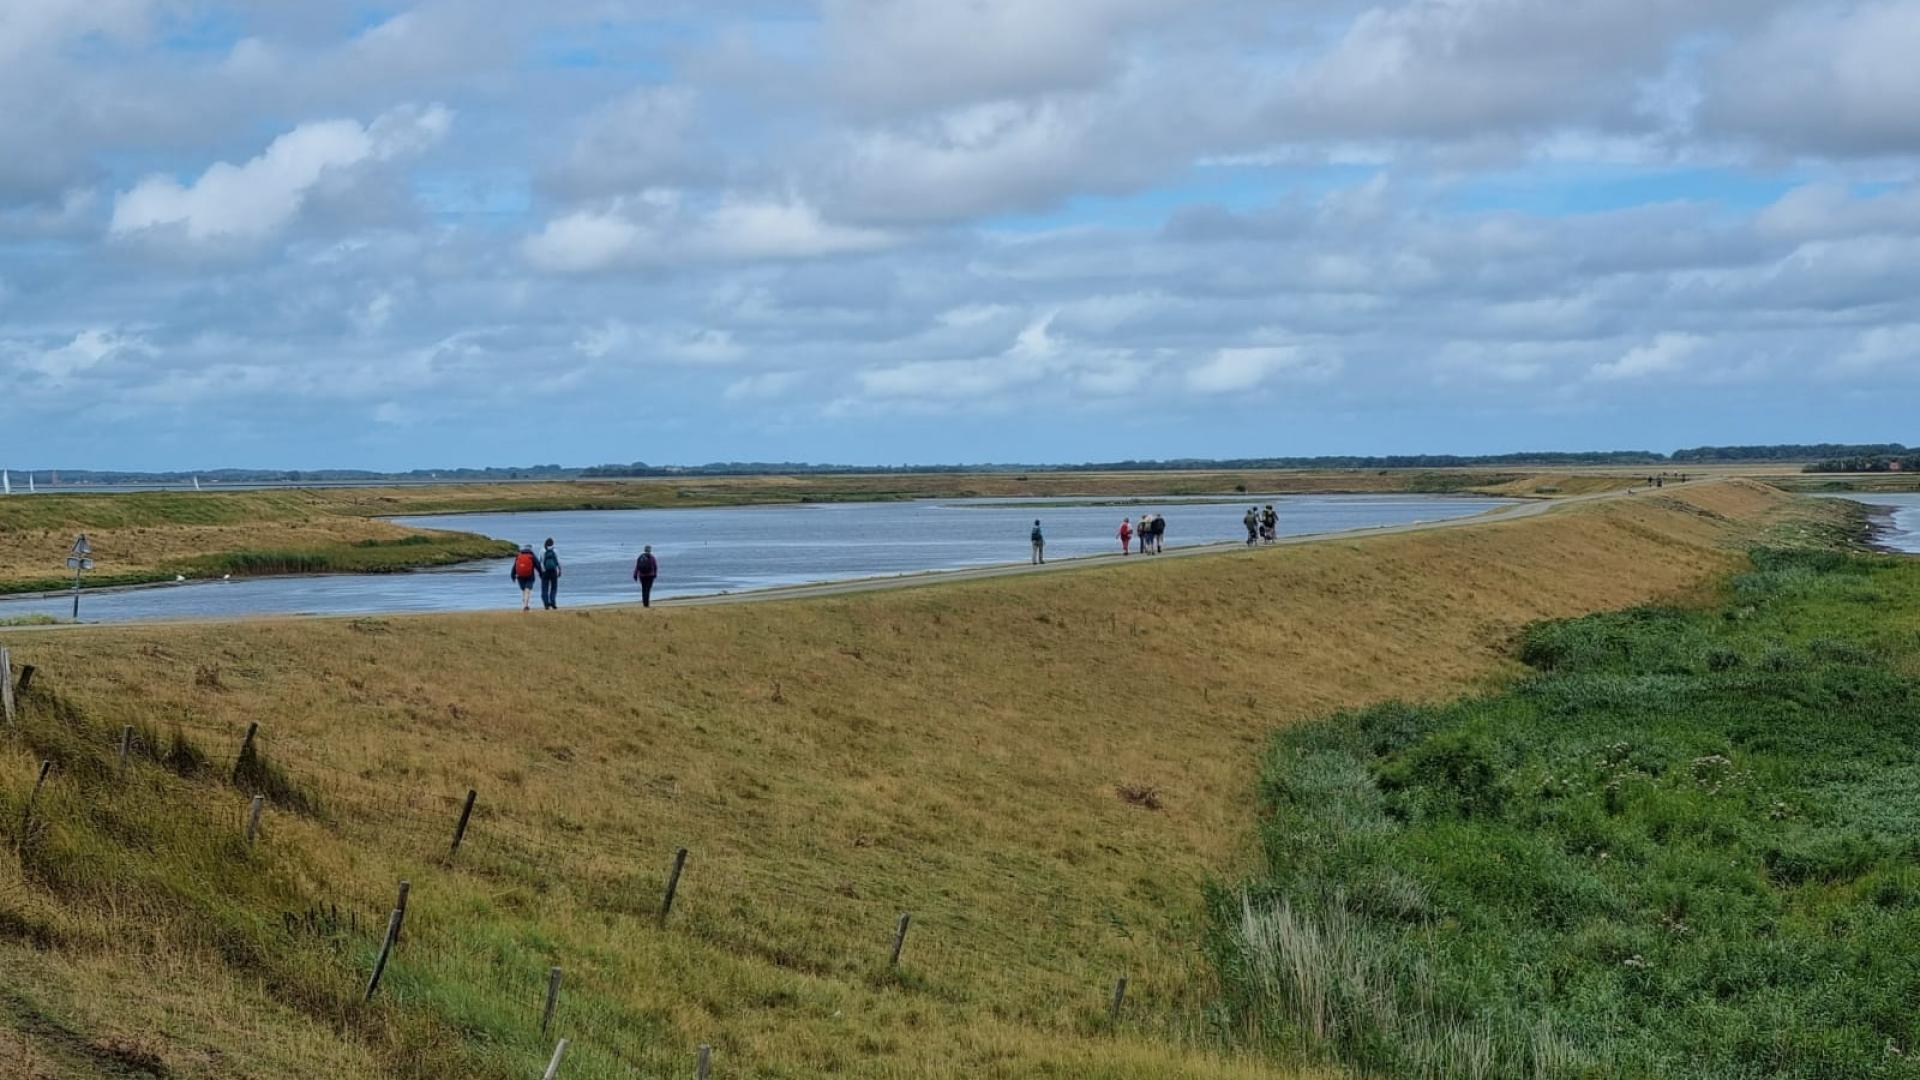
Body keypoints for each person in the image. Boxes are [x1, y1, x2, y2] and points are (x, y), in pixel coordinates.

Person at [509, 544, 539, 611]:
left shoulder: (519, 555)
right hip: (530, 576)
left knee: (523, 591)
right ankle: (526, 605)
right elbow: (538, 565)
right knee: (527, 590)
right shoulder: (532, 556)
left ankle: (524, 605)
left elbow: (514, 567)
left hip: (520, 576)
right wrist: (541, 574)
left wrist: (512, 576)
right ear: (531, 549)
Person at [538, 538, 562, 610]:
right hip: (553, 571)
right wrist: (560, 570)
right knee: (554, 588)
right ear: (553, 543)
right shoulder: (555, 550)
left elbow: (540, 561)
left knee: (544, 588)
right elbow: (558, 561)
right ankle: (553, 602)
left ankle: (546, 604)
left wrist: (540, 571)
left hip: (544, 571)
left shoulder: (542, 550)